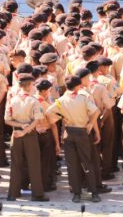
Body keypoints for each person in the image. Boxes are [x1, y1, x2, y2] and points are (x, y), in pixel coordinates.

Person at [48, 75, 101, 203]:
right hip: (82, 131)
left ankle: (76, 193)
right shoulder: (83, 98)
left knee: (72, 165)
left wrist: (62, 117)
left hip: (69, 132)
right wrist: (90, 124)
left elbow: (49, 112)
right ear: (78, 86)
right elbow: (96, 111)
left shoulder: (61, 100)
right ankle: (94, 193)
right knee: (87, 162)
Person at [4, 73, 48, 202]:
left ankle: (13, 193)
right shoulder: (33, 100)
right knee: (33, 163)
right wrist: (26, 130)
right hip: (29, 135)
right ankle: (37, 194)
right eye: (33, 84)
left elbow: (7, 120)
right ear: (29, 86)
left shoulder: (12, 100)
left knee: (16, 164)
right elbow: (36, 120)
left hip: (16, 134)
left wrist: (20, 126)